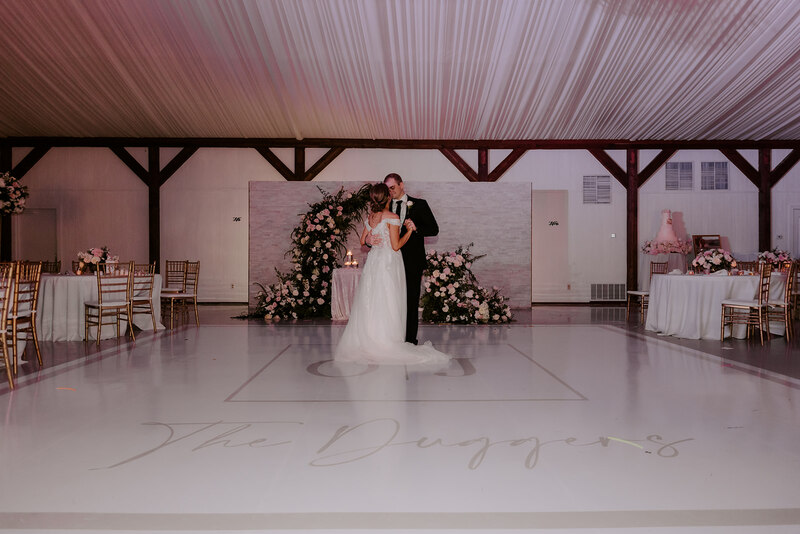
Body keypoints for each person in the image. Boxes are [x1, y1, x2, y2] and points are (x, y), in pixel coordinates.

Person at [333, 183, 450, 365]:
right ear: (387, 197)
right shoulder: (392, 217)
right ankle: (389, 340)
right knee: (390, 299)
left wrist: (369, 239)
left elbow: (362, 241)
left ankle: (372, 338)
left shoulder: (371, 216)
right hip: (389, 263)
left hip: (375, 263)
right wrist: (409, 231)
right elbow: (395, 245)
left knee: (373, 299)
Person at [383, 173, 439, 344]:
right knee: (390, 300)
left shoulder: (420, 204)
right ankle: (392, 338)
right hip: (389, 261)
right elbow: (377, 231)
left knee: (411, 301)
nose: (390, 192)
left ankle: (409, 340)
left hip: (412, 261)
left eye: (393, 187)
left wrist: (416, 227)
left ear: (402, 185)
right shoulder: (384, 207)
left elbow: (434, 229)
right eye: (387, 189)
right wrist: (370, 241)